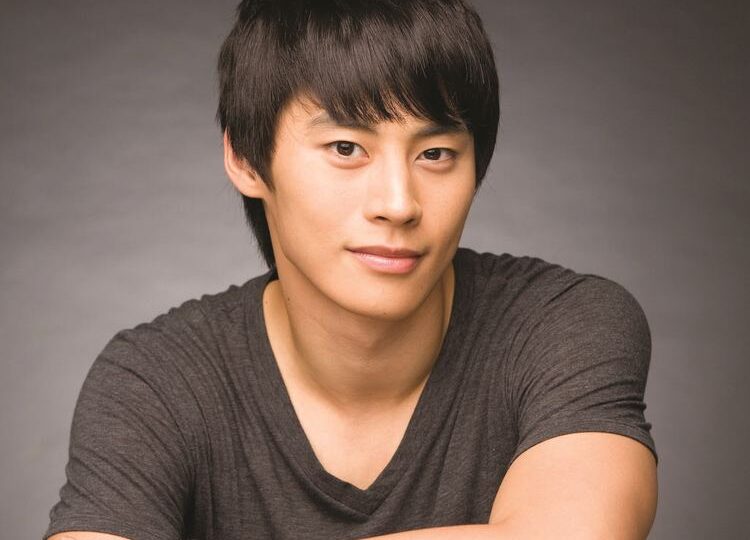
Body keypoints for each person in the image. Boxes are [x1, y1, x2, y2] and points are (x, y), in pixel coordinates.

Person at [45, 0, 658, 538]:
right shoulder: (154, 381)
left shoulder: (564, 325)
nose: (398, 203)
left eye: (436, 153)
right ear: (246, 158)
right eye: (346, 148)